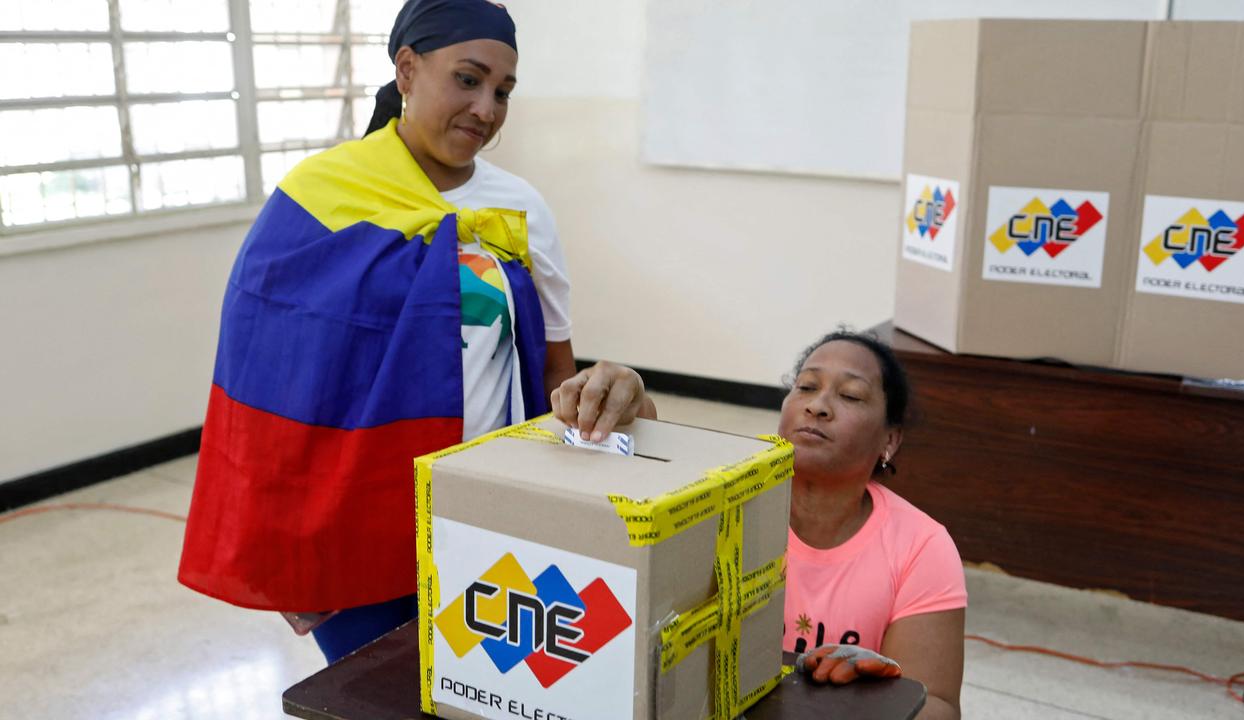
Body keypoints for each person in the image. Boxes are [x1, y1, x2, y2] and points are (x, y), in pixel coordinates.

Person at [177, 0, 650, 665]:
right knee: (375, 695)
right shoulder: (319, 194)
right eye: (468, 79)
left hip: (487, 512)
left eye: (503, 92)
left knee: (484, 687)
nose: (486, 108)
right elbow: (265, 387)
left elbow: (553, 373)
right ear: (407, 69)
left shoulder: (521, 206)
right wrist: (287, 546)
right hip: (351, 520)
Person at [555, 331, 966, 720]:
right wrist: (623, 395)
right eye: (805, 387)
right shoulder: (724, 496)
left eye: (850, 395)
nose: (818, 406)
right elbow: (647, 455)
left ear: (889, 441)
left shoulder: (921, 546)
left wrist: (882, 698)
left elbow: (940, 706)